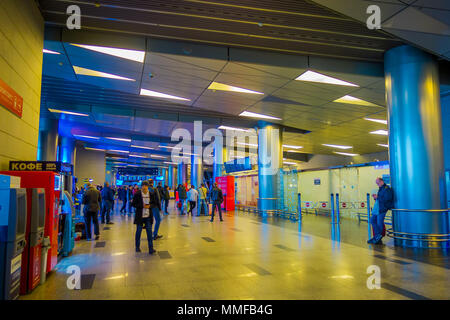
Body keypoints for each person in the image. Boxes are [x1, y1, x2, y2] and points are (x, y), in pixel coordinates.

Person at [131, 181, 156, 254]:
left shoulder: (151, 194)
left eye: (145, 185)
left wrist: (150, 206)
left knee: (149, 232)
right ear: (141, 186)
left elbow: (154, 203)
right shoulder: (137, 194)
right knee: (138, 232)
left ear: (148, 186)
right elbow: (133, 204)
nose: (144, 187)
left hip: (148, 216)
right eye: (143, 185)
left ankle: (151, 249)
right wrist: (142, 206)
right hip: (140, 216)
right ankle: (137, 247)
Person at [368, 177, 394, 245]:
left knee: (379, 223)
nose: (377, 184)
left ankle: (377, 237)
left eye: (378, 183)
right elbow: (381, 198)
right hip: (378, 208)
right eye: (376, 183)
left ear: (382, 181)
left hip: (382, 208)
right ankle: (377, 236)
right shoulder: (381, 188)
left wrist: (378, 197)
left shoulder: (387, 189)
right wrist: (376, 197)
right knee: (372, 220)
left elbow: (388, 198)